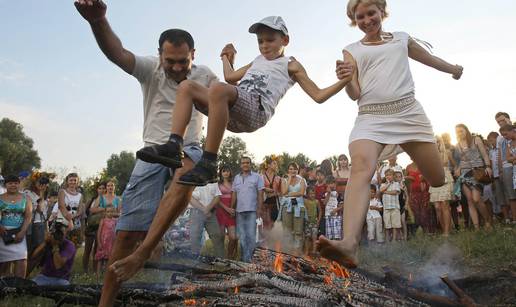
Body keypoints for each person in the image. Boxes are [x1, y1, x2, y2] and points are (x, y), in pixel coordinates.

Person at [74, 1, 218, 303]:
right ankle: (106, 301)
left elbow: (226, 104)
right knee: (125, 236)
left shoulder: (205, 75)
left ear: (194, 55)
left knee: (187, 173)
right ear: (160, 55)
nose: (177, 67)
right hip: (153, 150)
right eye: (171, 61)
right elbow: (118, 53)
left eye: (183, 61)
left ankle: (145, 251)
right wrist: (98, 21)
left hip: (189, 146)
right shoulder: (149, 69)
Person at [321, 0, 463, 267]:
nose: (366, 20)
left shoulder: (401, 39)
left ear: (381, 12)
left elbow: (429, 59)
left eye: (370, 13)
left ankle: (411, 148)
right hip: (371, 117)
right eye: (359, 16)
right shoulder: (351, 50)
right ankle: (349, 243)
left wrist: (454, 69)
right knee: (360, 167)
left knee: (436, 179)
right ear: (354, 20)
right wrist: (345, 77)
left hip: (408, 113)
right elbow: (355, 93)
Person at [137, 15, 353, 186]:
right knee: (186, 86)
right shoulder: (257, 61)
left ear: (285, 40)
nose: (264, 46)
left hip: (256, 111)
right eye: (260, 41)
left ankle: (209, 162)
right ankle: (174, 145)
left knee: (218, 89)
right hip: (232, 112)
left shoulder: (291, 64)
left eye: (270, 40)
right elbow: (230, 77)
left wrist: (344, 81)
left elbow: (318, 96)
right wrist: (225, 57)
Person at [455, 124, 493, 230]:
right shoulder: (457, 145)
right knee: (470, 201)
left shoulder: (476, 140)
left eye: (461, 131)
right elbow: (460, 161)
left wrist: (488, 166)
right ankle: (477, 228)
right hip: (465, 174)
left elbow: (484, 154)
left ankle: (487, 220)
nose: (459, 133)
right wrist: (458, 169)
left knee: (476, 199)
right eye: (457, 132)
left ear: (466, 130)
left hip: (477, 172)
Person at [231, 156, 264, 262]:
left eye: (247, 162)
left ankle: (247, 260)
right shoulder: (236, 178)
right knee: (242, 236)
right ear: (240, 165)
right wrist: (232, 208)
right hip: (239, 211)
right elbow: (234, 195)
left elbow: (260, 194)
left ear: (250, 164)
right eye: (243, 163)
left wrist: (259, 209)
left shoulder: (257, 177)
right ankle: (246, 259)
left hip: (252, 211)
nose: (245, 164)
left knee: (251, 236)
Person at [0, 175, 32, 278]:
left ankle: (19, 286)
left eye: (15, 183)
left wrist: (22, 232)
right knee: (3, 261)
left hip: (19, 232)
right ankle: (4, 286)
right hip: (3, 233)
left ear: (19, 184)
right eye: (10, 183)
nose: (13, 185)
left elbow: (28, 216)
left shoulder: (26, 198)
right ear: (5, 185)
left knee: (22, 258)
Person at [30, 219, 76, 286]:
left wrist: (55, 246)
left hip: (61, 279)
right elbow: (33, 257)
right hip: (44, 277)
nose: (58, 236)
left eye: (61, 233)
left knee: (63, 287)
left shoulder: (69, 245)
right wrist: (45, 242)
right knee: (30, 285)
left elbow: (58, 266)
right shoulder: (49, 242)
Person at [189, 182, 225, 258]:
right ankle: (195, 262)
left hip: (211, 213)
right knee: (195, 239)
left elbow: (217, 196)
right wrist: (204, 210)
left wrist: (208, 209)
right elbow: (189, 197)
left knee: (217, 236)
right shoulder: (192, 180)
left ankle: (222, 261)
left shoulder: (212, 180)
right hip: (196, 213)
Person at [428, 136, 454, 236]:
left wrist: (458, 169)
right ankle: (444, 229)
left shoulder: (446, 153)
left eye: (438, 142)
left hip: (445, 179)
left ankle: (446, 232)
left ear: (440, 143)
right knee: (437, 207)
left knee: (444, 205)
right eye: (434, 142)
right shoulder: (429, 155)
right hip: (434, 180)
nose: (436, 144)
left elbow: (455, 164)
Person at [279, 163, 306, 254]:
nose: (293, 171)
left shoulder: (302, 180)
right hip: (287, 207)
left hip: (299, 207)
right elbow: (284, 192)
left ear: (297, 170)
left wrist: (289, 194)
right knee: (287, 231)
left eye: (295, 169)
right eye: (290, 169)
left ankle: (297, 254)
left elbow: (301, 192)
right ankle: (287, 253)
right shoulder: (284, 180)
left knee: (298, 232)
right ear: (288, 170)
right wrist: (289, 179)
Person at [215, 166, 237, 259]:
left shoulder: (233, 183)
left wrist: (231, 209)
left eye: (227, 171)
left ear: (230, 172)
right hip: (220, 211)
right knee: (221, 236)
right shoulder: (217, 184)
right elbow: (216, 199)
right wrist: (226, 209)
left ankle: (229, 257)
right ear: (221, 173)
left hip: (230, 212)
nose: (226, 173)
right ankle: (221, 257)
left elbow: (234, 197)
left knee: (233, 237)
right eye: (224, 171)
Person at [24, 175, 50, 256]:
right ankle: (26, 267)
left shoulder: (44, 196)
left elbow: (45, 215)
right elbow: (40, 209)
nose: (42, 185)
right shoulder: (28, 193)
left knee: (41, 250)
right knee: (31, 249)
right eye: (40, 182)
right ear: (34, 182)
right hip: (32, 225)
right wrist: (42, 193)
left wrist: (47, 229)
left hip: (41, 224)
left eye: (45, 183)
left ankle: (28, 267)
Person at [57, 173, 85, 246]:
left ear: (77, 182)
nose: (73, 182)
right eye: (71, 180)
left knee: (74, 245)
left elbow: (80, 210)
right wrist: (69, 219)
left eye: (75, 180)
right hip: (62, 222)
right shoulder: (62, 192)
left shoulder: (80, 195)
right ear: (67, 181)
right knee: (61, 244)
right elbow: (61, 206)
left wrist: (73, 216)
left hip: (75, 222)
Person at [83, 182, 106, 273]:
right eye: (100, 188)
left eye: (103, 188)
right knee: (87, 249)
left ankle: (95, 270)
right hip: (90, 226)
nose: (102, 190)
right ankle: (85, 269)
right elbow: (86, 213)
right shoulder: (92, 200)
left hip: (101, 227)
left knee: (97, 249)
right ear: (97, 190)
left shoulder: (107, 200)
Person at [95, 205, 118, 274]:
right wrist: (99, 242)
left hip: (111, 242)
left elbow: (116, 231)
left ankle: (106, 273)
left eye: (111, 212)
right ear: (105, 212)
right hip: (103, 242)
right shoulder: (103, 220)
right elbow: (99, 232)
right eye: (108, 212)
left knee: (108, 258)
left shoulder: (115, 221)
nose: (110, 213)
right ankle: (98, 273)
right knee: (100, 258)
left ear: (114, 212)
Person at [500, 124, 516, 223]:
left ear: (512, 130)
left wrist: (513, 158)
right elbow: (507, 158)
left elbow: (511, 158)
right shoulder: (509, 143)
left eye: (506, 134)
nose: (505, 137)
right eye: (503, 135)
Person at [380, 169, 401, 241]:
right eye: (387, 175)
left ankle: (394, 240)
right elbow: (381, 190)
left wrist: (385, 192)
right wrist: (388, 184)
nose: (388, 176)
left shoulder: (396, 184)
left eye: (390, 175)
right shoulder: (383, 184)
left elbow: (395, 192)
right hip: (386, 207)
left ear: (393, 176)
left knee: (395, 225)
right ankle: (387, 239)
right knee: (387, 225)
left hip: (395, 207)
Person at [261, 157, 282, 232]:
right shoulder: (261, 177)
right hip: (264, 204)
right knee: (265, 224)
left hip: (275, 203)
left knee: (273, 224)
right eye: (274, 163)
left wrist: (276, 193)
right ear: (269, 165)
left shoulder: (278, 178)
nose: (276, 165)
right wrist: (265, 189)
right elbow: (258, 190)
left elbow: (281, 192)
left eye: (276, 164)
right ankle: (265, 242)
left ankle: (273, 242)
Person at [324, 176, 343, 240]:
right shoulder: (326, 193)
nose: (331, 185)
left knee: (336, 234)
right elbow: (324, 203)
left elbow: (342, 205)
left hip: (336, 216)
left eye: (332, 183)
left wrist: (336, 210)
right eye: (329, 184)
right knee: (329, 235)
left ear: (335, 184)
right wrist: (329, 193)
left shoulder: (338, 194)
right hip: (328, 215)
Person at [303, 186, 319, 255]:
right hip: (307, 222)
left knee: (314, 238)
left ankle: (314, 252)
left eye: (313, 193)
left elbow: (320, 211)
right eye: (310, 194)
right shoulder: (305, 202)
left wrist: (318, 220)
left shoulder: (316, 202)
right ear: (307, 194)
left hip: (314, 222)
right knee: (307, 237)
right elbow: (304, 211)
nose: (312, 195)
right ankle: (306, 251)